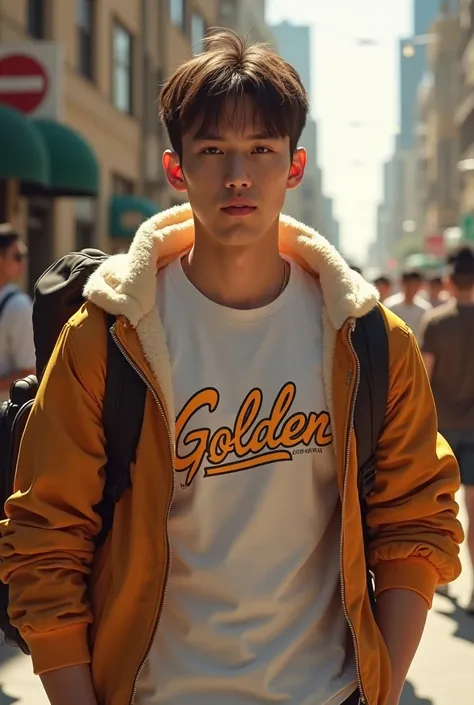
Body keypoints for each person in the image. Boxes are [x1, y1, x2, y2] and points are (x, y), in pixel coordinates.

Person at [0, 31, 462, 705]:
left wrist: (383, 688)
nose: (237, 175)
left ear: (294, 166)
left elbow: (415, 517)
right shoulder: (107, 339)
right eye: (213, 150)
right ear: (177, 168)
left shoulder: (365, 339)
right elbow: (46, 538)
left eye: (261, 150)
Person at [420, 246, 474, 614]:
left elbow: (422, 380)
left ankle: (436, 578)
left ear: (449, 281)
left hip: (442, 432)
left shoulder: (435, 323)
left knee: (439, 509)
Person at [0, 224, 35, 401]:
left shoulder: (18, 305)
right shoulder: (18, 306)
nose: (23, 262)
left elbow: (28, 372)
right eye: (18, 256)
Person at [384, 270, 431, 341]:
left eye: (416, 284)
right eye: (410, 284)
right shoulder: (390, 306)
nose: (412, 288)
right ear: (403, 283)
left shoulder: (425, 309)